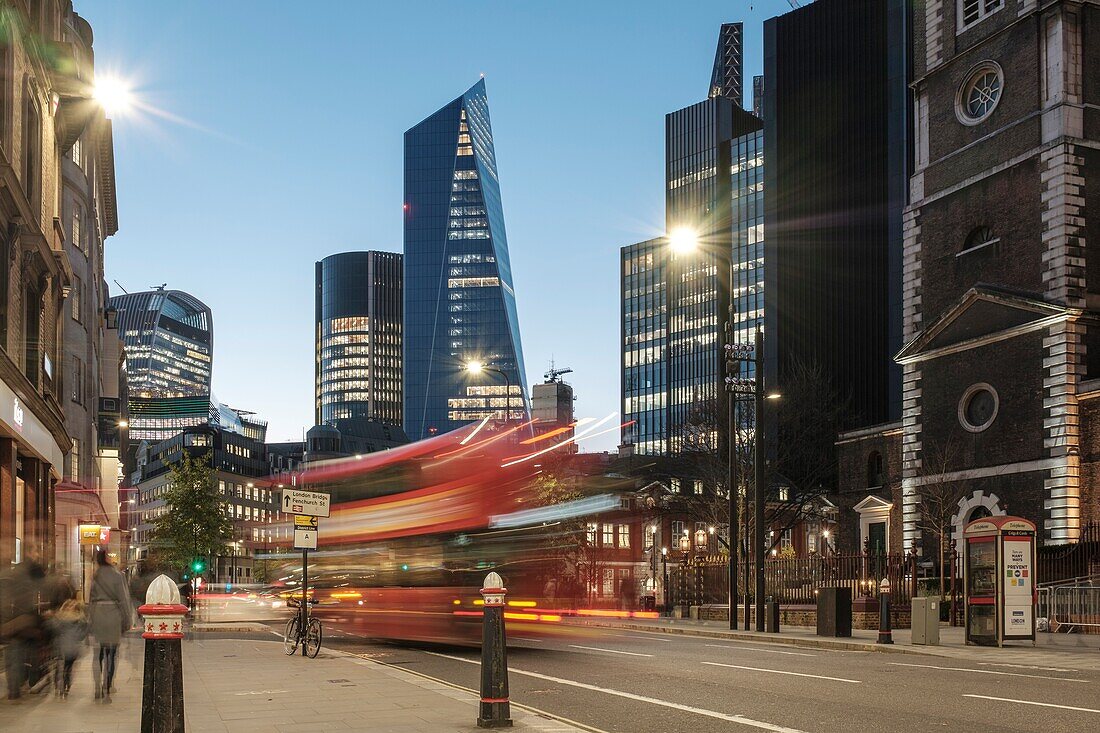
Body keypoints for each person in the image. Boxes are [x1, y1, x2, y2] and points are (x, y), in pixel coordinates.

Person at [87, 550, 132, 701]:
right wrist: (127, 620)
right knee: (112, 653)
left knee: (98, 654)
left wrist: (90, 620)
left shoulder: (95, 576)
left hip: (98, 614)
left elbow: (91, 599)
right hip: (113, 615)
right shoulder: (117, 575)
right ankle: (108, 685)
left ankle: (97, 686)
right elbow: (124, 598)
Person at [0, 556, 47, 700]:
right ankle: (24, 683)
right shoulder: (25, 581)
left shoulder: (8, 576)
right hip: (21, 622)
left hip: (12, 622)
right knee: (21, 652)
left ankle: (15, 688)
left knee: (14, 654)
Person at [46, 599, 87, 698]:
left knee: (67, 668)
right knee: (62, 668)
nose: (69, 608)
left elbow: (82, 635)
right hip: (62, 647)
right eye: (68, 606)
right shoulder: (60, 619)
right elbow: (52, 630)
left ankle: (64, 686)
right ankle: (61, 686)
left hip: (71, 648)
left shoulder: (79, 621)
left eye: (72, 606)